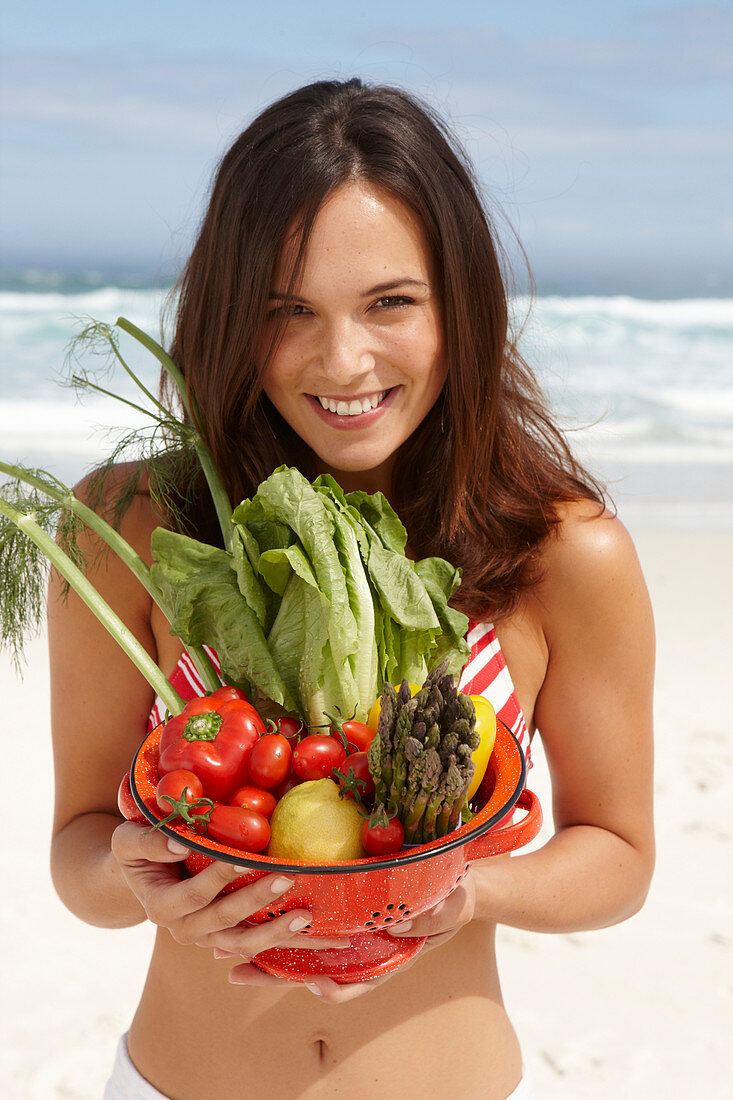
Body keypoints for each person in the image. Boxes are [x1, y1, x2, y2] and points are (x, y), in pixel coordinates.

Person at [47, 78, 655, 1100]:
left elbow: (619, 855)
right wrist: (141, 880)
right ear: (233, 316)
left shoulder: (564, 551)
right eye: (288, 310)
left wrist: (466, 888)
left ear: (459, 303)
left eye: (390, 303)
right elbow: (79, 855)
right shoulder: (128, 523)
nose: (343, 360)